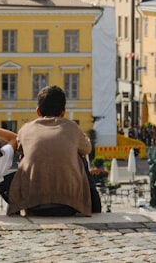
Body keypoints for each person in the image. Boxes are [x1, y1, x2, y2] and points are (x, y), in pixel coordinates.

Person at [6, 85, 93, 217]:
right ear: (63, 112)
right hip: (69, 204)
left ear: (38, 111)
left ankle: (13, 210)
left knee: (24, 159)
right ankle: (94, 204)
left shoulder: (26, 129)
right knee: (80, 157)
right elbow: (87, 149)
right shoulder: (72, 128)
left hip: (33, 204)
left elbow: (20, 150)